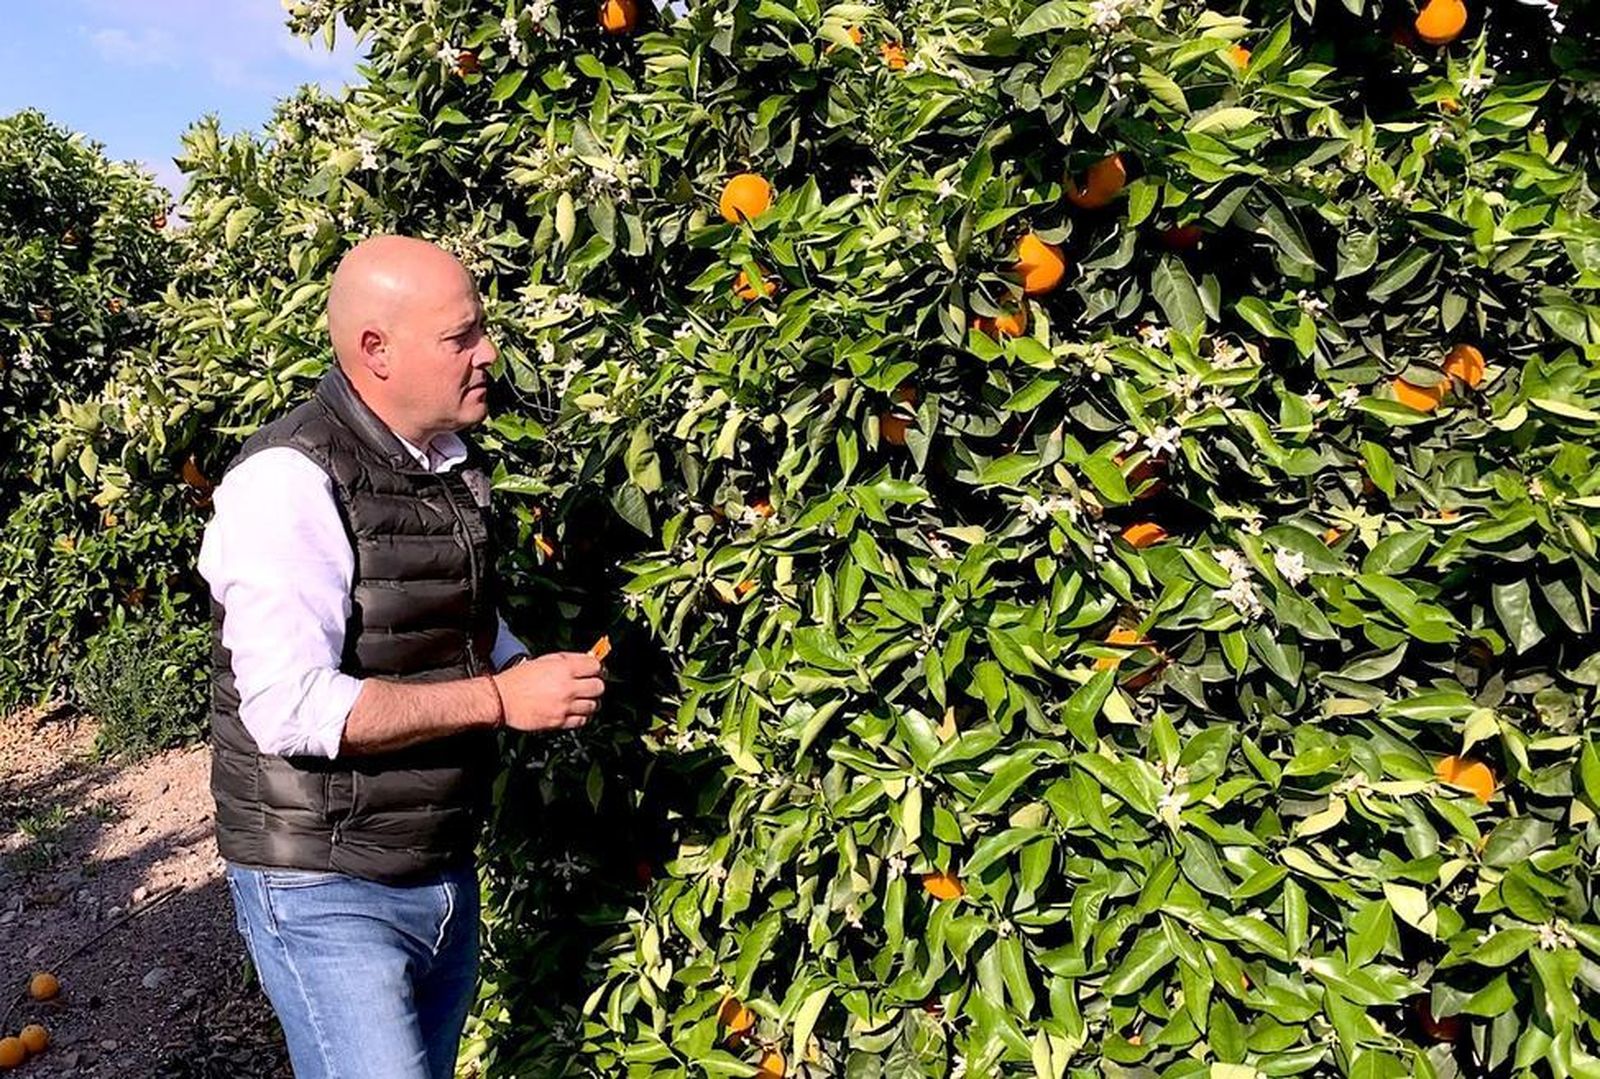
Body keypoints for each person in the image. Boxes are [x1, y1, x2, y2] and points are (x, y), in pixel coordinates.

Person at [197, 235, 605, 1079]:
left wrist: (523, 666)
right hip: (324, 881)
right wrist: (501, 700)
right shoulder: (286, 481)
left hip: (435, 858)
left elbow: (443, 612)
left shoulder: (443, 462)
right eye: (462, 336)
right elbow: (291, 707)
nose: (489, 352)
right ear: (375, 350)